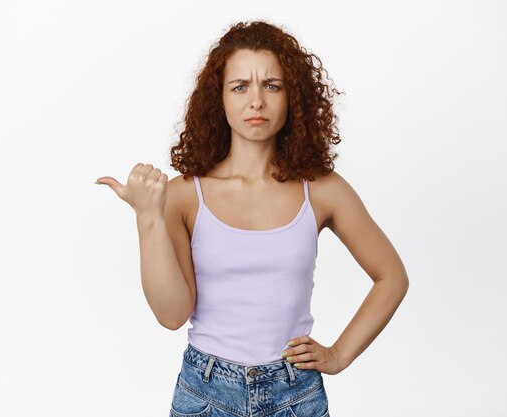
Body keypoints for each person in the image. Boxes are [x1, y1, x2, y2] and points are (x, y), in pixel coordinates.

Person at [95, 20, 408, 417]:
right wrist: (148, 217)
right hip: (206, 393)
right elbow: (172, 315)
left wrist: (339, 354)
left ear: (292, 96)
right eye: (240, 86)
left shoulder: (324, 189)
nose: (256, 101)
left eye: (272, 85)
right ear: (219, 98)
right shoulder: (184, 194)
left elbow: (392, 276)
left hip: (295, 394)